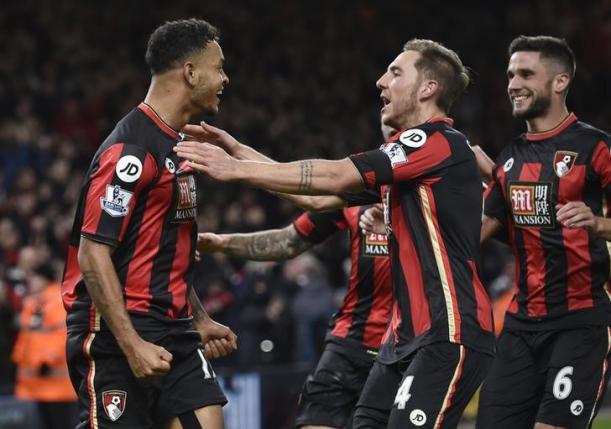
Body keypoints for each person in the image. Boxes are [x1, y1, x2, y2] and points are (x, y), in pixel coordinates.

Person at [176, 39, 495, 428]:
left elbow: (336, 173)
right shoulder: (406, 162)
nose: (381, 81)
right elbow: (322, 197)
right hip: (403, 338)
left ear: (428, 88)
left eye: (395, 73)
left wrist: (234, 169)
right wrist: (240, 150)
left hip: (449, 329)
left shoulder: (438, 142)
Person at [61, 19, 237, 429]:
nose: (225, 78)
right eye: (219, 67)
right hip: (114, 331)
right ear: (190, 73)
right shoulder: (131, 151)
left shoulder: (177, 143)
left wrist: (199, 318)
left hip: (174, 328)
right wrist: (132, 345)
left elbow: (157, 253)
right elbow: (93, 253)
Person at [476, 35, 611, 429]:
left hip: (580, 324)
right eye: (510, 74)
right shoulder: (509, 157)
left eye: (525, 73)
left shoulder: (596, 148)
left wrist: (600, 223)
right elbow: (473, 235)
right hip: (519, 328)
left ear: (560, 81)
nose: (513, 83)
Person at [198, 203, 392, 429]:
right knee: (314, 421)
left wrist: (247, 169)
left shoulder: (433, 192)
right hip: (350, 341)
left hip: (409, 346)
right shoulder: (354, 192)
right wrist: (222, 243)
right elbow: (289, 241)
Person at [12, 263, 78, 429]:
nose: (31, 281)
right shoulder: (36, 301)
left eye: (35, 277)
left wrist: (48, 360)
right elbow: (28, 335)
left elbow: (61, 335)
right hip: (37, 381)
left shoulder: (57, 301)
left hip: (55, 382)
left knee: (60, 423)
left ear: (44, 279)